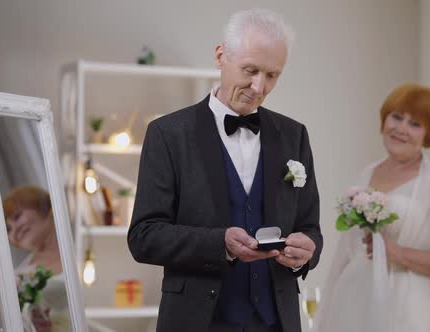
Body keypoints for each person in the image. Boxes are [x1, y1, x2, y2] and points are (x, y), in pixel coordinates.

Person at [128, 8, 323, 332]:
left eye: (272, 75)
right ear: (221, 56)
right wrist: (219, 243)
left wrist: (309, 250)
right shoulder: (168, 133)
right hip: (197, 321)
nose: (259, 87)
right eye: (250, 70)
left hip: (276, 321)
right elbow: (143, 237)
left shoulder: (294, 134)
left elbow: (309, 226)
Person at [315, 83, 430, 332]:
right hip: (356, 300)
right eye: (396, 117)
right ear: (385, 119)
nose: (401, 129)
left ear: (429, 133)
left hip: (410, 309)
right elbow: (344, 253)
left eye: (415, 124)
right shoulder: (366, 174)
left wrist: (395, 253)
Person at [3, 185, 69, 332]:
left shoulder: (81, 238)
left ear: (41, 207)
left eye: (17, 216)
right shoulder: (18, 277)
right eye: (8, 229)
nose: (15, 229)